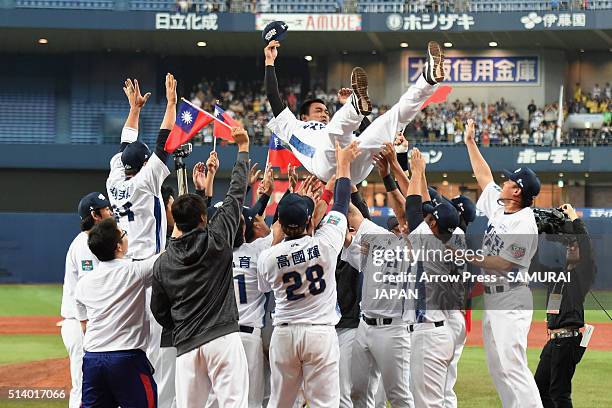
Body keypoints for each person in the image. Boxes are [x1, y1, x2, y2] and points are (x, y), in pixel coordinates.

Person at [150, 127, 251, 408]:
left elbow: (159, 311)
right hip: (223, 338)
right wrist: (242, 149)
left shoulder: (164, 262)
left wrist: (182, 323)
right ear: (205, 217)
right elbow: (236, 195)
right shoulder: (218, 239)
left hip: (186, 346)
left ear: (174, 221)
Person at [257, 141, 360, 407]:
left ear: (278, 220)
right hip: (320, 333)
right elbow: (340, 204)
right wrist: (343, 164)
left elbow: (265, 288)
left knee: (280, 402)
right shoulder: (324, 244)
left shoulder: (267, 257)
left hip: (285, 333)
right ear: (309, 221)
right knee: (325, 403)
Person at [264, 40, 444, 183]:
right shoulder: (292, 126)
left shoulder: (333, 127)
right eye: (319, 110)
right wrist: (269, 62)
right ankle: (354, 105)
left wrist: (356, 111)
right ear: (304, 116)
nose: (324, 114)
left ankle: (428, 80)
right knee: (335, 131)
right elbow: (273, 95)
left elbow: (367, 131)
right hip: (325, 163)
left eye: (326, 111)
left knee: (392, 119)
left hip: (356, 158)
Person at [105, 74, 177, 405]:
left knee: (129, 339)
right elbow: (163, 141)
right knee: (157, 344)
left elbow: (125, 147)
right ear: (144, 165)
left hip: (122, 269)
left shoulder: (115, 180)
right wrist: (171, 104)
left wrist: (133, 110)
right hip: (149, 266)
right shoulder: (146, 182)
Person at [463, 118, 543, 408]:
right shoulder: (501, 206)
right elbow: (484, 177)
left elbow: (505, 264)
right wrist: (470, 142)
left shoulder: (525, 222)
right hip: (495, 298)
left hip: (511, 298)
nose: (504, 181)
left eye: (509, 180)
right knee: (498, 367)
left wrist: (467, 257)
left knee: (513, 366)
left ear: (517, 191)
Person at [75, 218, 161, 408]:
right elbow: (168, 257)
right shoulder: (135, 271)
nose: (126, 236)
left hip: (92, 360)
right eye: (123, 234)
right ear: (118, 247)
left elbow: (84, 324)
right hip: (126, 360)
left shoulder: (83, 284)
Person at [403, 148, 465, 408]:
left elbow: (412, 207)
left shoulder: (431, 245)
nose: (426, 221)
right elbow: (424, 205)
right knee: (436, 401)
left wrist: (416, 171)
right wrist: (419, 174)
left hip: (431, 333)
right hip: (442, 328)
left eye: (430, 220)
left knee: (427, 404)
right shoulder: (454, 238)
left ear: (435, 227)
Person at [534, 204, 596, 408]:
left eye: (574, 245)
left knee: (560, 394)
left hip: (567, 341)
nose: (571, 246)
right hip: (553, 342)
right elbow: (533, 264)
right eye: (568, 244)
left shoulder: (583, 275)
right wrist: (534, 233)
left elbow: (585, 245)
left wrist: (573, 217)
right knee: (540, 390)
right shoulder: (557, 275)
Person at [60, 192, 113, 408]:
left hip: (89, 324)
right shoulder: (84, 243)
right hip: (81, 324)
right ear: (95, 215)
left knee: (97, 388)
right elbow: (86, 288)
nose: (110, 211)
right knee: (83, 388)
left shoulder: (96, 241)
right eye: (106, 208)